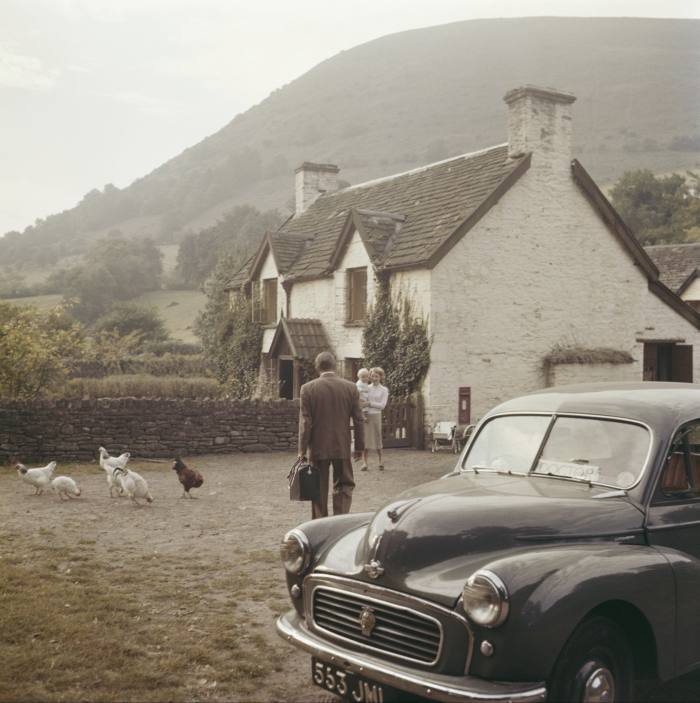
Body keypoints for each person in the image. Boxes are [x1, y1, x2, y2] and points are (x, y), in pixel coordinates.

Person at [298, 351, 365, 519]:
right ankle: (340, 520)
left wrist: (302, 450)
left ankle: (320, 523)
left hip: (318, 446)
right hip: (342, 445)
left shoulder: (307, 389)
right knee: (344, 485)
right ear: (334, 365)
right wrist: (359, 447)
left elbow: (305, 423)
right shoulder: (350, 388)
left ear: (317, 367)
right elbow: (359, 419)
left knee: (318, 488)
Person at [361, 367, 389, 471]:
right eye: (372, 376)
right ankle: (364, 463)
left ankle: (381, 461)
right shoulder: (366, 388)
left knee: (378, 438)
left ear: (381, 377)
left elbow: (382, 405)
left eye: (376, 376)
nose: (374, 378)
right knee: (366, 440)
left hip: (376, 415)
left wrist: (370, 403)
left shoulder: (384, 390)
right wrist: (364, 412)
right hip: (367, 415)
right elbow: (362, 402)